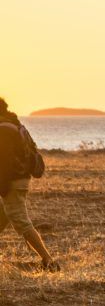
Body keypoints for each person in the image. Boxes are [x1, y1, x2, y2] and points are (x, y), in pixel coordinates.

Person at [0, 97, 60, 271]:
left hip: (11, 182)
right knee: (2, 216)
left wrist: (3, 187)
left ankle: (48, 261)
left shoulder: (4, 129)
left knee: (21, 221)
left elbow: (5, 163)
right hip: (20, 179)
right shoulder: (16, 125)